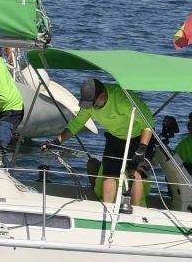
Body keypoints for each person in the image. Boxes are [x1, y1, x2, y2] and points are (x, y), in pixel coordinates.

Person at [56, 77, 156, 207]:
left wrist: (142, 148)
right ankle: (107, 208)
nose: (90, 107)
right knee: (109, 174)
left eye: (92, 103)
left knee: (135, 172)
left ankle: (136, 210)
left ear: (102, 95)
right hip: (115, 136)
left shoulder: (122, 100)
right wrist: (58, 140)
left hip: (138, 136)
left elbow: (148, 123)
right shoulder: (90, 103)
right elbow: (77, 123)